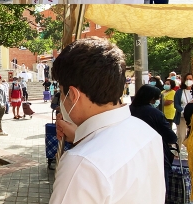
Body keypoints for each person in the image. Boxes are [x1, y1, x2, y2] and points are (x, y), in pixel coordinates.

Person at [49, 37, 165, 202]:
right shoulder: (147, 132)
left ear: (73, 95)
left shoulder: (81, 165)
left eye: (61, 92)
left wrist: (82, 147)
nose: (60, 100)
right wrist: (80, 138)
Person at [130, 85, 178, 189]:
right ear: (152, 98)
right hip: (155, 153)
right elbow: (171, 137)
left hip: (132, 153)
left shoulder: (128, 111)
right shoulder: (156, 113)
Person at [174, 74, 193, 146]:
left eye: (190, 79)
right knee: (181, 136)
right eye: (187, 79)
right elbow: (176, 104)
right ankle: (177, 152)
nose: (189, 81)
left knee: (192, 136)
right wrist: (183, 111)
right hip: (182, 117)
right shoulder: (179, 92)